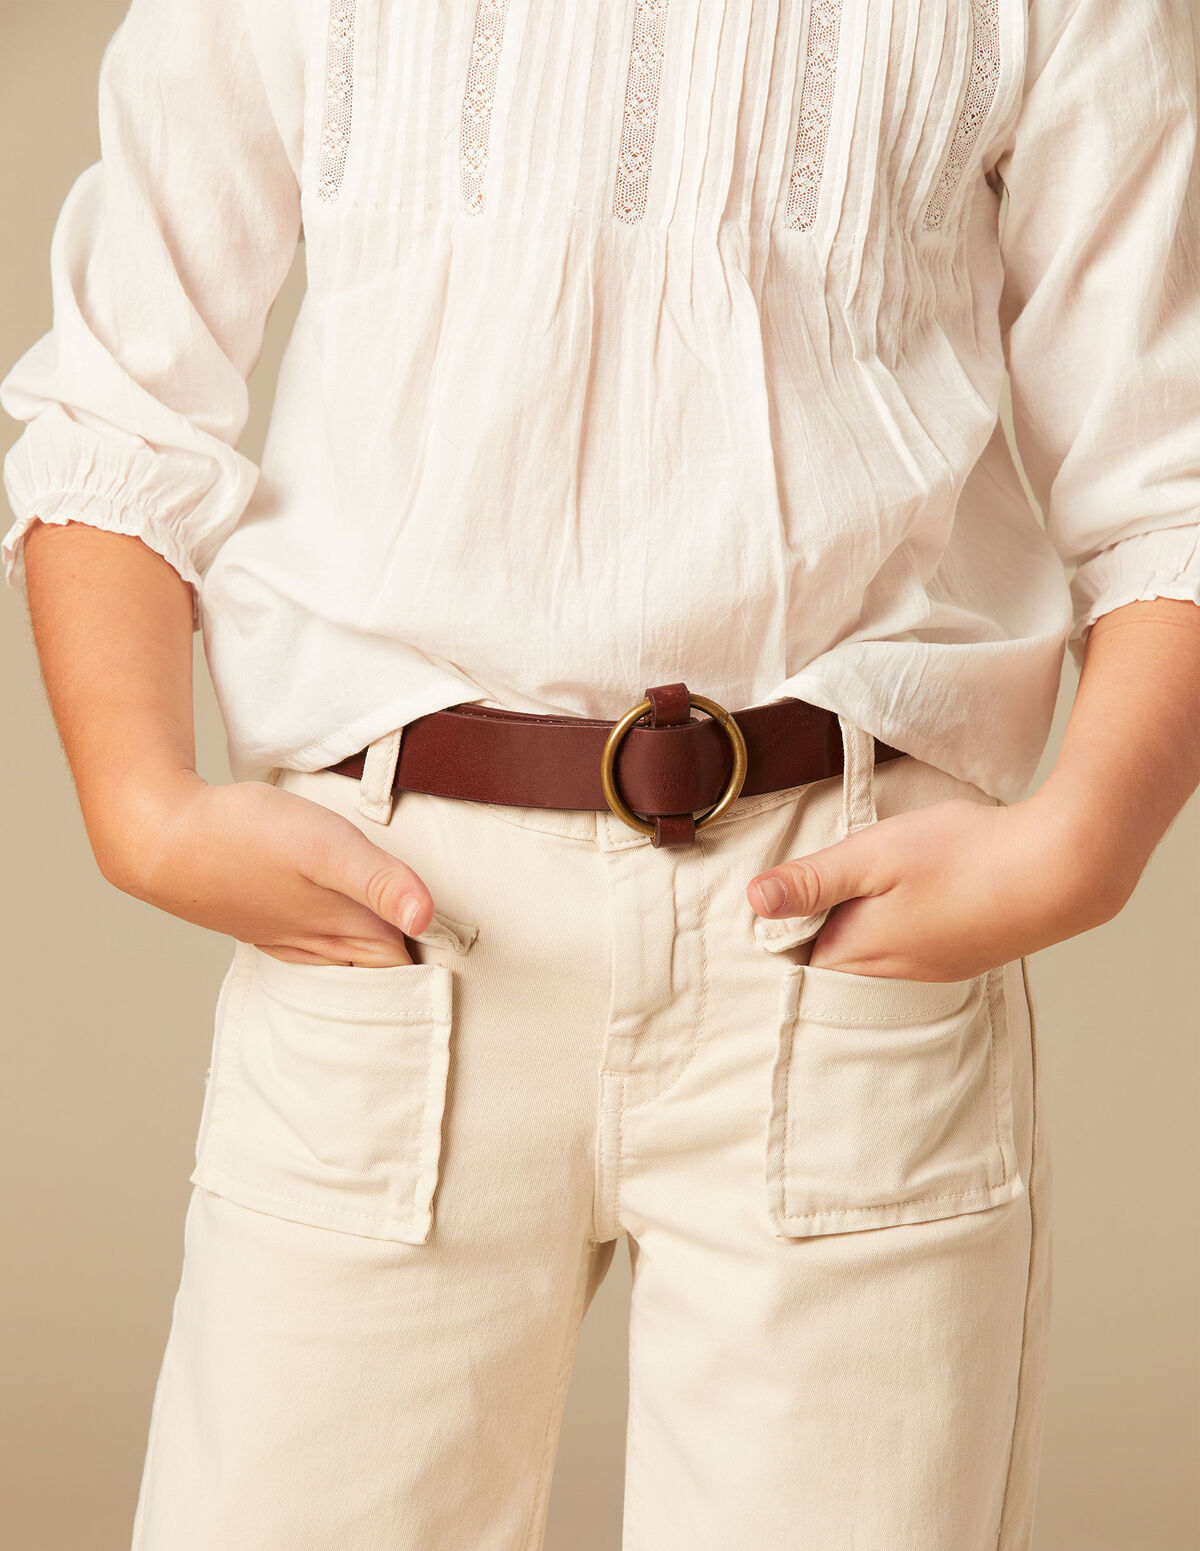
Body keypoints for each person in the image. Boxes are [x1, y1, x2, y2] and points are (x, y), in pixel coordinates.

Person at [3, 0, 1199, 1545]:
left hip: (838, 938)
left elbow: (1169, 463)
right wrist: (139, 806)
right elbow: (117, 395)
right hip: (401, 931)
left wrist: (1088, 836)